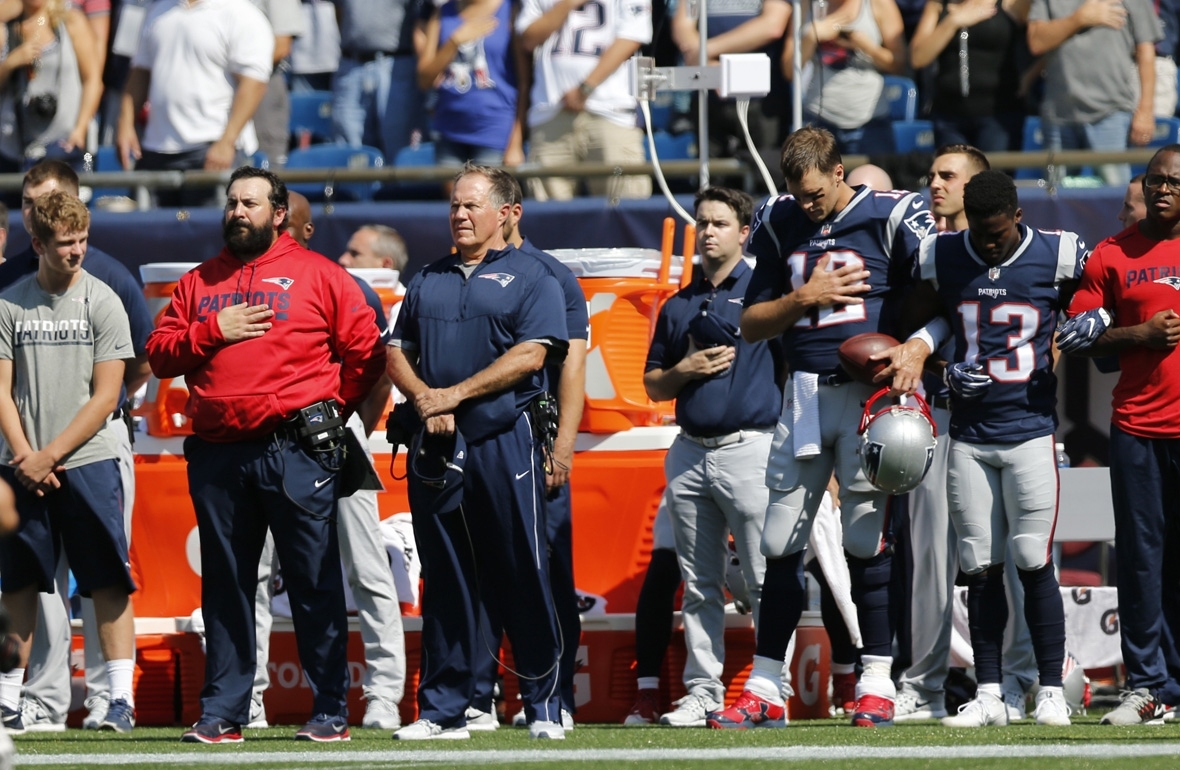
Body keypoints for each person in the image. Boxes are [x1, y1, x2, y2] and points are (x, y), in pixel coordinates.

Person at [146, 166, 385, 744]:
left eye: (249, 203)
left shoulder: (321, 276)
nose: (237, 212)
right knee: (226, 585)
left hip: (295, 451)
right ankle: (224, 711)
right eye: (231, 203)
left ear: (279, 215)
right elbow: (159, 355)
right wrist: (213, 329)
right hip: (220, 456)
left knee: (314, 581)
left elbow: (367, 354)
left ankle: (330, 708)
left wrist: (329, 414)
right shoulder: (199, 282)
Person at [707, 126, 934, 730]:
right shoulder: (780, 219)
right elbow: (751, 324)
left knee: (865, 542)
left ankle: (878, 681)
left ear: (840, 173)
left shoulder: (891, 213)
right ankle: (764, 687)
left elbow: (942, 296)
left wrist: (917, 346)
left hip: (868, 397)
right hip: (804, 395)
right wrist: (804, 296)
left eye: (815, 194)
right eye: (796, 194)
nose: (807, 206)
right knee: (780, 544)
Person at [876, 171, 1083, 727]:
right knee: (979, 566)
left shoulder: (1058, 253)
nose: (990, 245)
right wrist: (940, 364)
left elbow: (1088, 300)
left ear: (1017, 214)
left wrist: (1090, 322)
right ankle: (989, 692)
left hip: (1030, 428)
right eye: (981, 233)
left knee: (1032, 559)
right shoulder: (940, 254)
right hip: (968, 435)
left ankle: (1049, 690)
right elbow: (912, 318)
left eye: (998, 232)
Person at [387, 163, 569, 741]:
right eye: (454, 207)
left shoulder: (534, 276)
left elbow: (532, 356)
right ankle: (444, 708)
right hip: (437, 442)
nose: (460, 216)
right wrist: (424, 401)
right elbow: (396, 351)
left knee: (522, 569)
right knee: (443, 574)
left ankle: (543, 703)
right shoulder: (428, 277)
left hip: (503, 438)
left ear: (502, 212)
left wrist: (452, 396)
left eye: (471, 206)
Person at [0, 159, 153, 733]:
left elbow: (107, 393)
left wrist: (49, 455)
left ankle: (118, 698)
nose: (76, 252)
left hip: (85, 461)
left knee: (107, 580)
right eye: (65, 243)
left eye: (82, 240)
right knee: (19, 583)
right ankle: (9, 698)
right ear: (37, 242)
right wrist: (25, 456)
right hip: (23, 463)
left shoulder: (104, 299)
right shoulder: (9, 302)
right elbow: (1, 391)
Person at [247, 189, 406, 732]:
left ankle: (383, 694)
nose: (276, 233)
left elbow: (380, 365)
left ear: (307, 232)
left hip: (335, 442)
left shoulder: (349, 286)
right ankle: (249, 695)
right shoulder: (240, 283)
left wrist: (351, 426)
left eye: (286, 225)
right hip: (264, 445)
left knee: (367, 567)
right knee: (256, 572)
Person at [892, 145, 1038, 723]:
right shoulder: (930, 252)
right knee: (931, 554)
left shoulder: (1024, 250)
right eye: (930, 175)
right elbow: (918, 323)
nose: (934, 185)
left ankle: (1019, 679)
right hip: (943, 412)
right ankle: (924, 683)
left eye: (948, 176)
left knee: (1013, 553)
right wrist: (926, 351)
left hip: (1008, 416)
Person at [641, 186, 781, 727]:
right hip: (690, 450)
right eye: (702, 222)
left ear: (745, 232)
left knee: (764, 578)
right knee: (697, 583)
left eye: (720, 223)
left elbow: (792, 374)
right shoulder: (678, 304)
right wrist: (686, 371)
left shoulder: (767, 293)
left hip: (751, 446)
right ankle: (704, 690)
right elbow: (653, 385)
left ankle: (771, 689)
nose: (708, 232)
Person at [1059, 143, 1180, 724]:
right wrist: (1141, 335)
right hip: (1138, 426)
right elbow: (1079, 336)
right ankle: (1150, 685)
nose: (1162, 190)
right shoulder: (1112, 254)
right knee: (1140, 559)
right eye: (1155, 180)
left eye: (1174, 182)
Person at [466, 168, 588, 731]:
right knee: (477, 570)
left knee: (543, 569)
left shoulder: (551, 277)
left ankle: (555, 693)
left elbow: (572, 367)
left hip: (530, 440)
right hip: (475, 441)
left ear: (511, 212)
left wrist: (561, 448)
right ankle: (478, 692)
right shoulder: (457, 274)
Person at [116, 0, 273, 204]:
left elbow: (254, 84)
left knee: (212, 234)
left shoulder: (241, 13)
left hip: (212, 149)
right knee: (154, 234)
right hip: (156, 148)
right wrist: (125, 123)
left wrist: (226, 142)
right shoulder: (156, 11)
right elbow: (140, 72)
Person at [517, 0, 653, 201]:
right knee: (549, 216)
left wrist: (586, 87)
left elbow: (632, 36)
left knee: (623, 210)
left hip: (612, 113)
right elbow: (528, 38)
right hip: (550, 113)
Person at [1027, 0, 1159, 186]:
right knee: (1055, 197)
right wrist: (1079, 18)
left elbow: (1145, 51)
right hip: (1058, 116)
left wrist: (1145, 110)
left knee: (1115, 198)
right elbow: (1036, 42)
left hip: (1111, 113)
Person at [781, 0, 907, 155]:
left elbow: (899, 65)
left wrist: (866, 46)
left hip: (869, 122)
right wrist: (811, 38)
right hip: (818, 120)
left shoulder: (879, 3)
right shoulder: (805, 5)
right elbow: (788, 71)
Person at [415, 0, 527, 168]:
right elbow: (424, 80)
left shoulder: (511, 9)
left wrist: (516, 141)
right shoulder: (442, 13)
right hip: (449, 130)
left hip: (495, 132)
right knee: (457, 195)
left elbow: (524, 81)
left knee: (484, 193)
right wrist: (454, 42)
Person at [910, 0, 1033, 153]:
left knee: (993, 175)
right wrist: (952, 22)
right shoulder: (938, 5)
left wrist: (1029, 76)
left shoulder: (1012, 4)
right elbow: (918, 58)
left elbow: (1044, 40)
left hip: (998, 115)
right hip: (949, 115)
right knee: (954, 174)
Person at [670, 0, 790, 156]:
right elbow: (682, 25)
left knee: (765, 172)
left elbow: (772, 25)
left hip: (761, 102)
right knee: (712, 176)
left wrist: (705, 51)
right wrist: (706, 63)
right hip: (709, 96)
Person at [0, 0, 102, 171]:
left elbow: (93, 80)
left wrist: (80, 129)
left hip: (65, 145)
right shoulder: (7, 30)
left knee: (69, 194)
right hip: (15, 148)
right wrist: (10, 63)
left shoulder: (71, 22)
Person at [332, 0, 424, 164]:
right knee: (349, 148)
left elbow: (425, 20)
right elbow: (341, 13)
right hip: (351, 61)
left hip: (396, 62)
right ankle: (355, 190)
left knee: (397, 143)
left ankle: (397, 190)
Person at [248, 0, 309, 167]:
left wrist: (244, 74)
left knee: (268, 166)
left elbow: (282, 46)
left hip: (264, 83)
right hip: (224, 87)